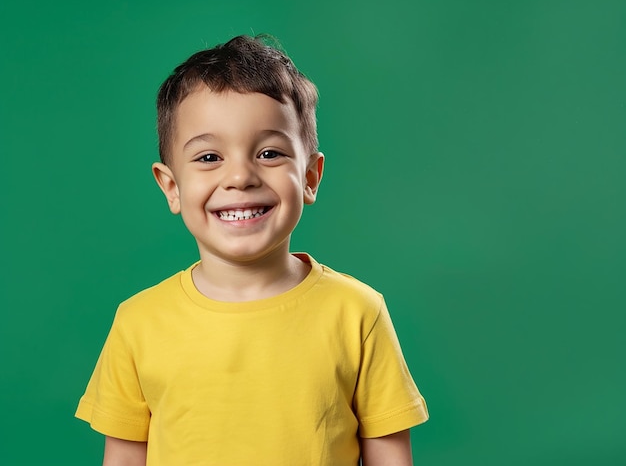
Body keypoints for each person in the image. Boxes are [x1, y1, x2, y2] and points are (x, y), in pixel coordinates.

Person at [75, 34, 428, 466]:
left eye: (269, 152)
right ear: (171, 187)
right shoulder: (138, 323)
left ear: (310, 177)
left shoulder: (358, 313)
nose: (240, 177)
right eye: (208, 158)